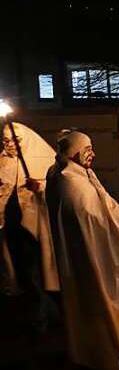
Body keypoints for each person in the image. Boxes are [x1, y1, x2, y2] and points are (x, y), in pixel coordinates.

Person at [46, 132, 119, 370]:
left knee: (104, 311)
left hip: (92, 256)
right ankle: (101, 361)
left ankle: (114, 356)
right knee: (97, 310)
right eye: (89, 149)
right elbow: (93, 221)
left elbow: (105, 209)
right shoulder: (69, 183)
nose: (94, 154)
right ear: (76, 154)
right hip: (88, 261)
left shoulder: (83, 175)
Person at [1, 121, 60, 336]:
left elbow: (57, 187)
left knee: (37, 274)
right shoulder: (3, 162)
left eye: (16, 140)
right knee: (23, 276)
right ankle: (41, 315)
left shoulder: (43, 158)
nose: (10, 145)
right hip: (11, 229)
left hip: (35, 230)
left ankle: (42, 319)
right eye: (6, 141)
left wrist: (40, 187)